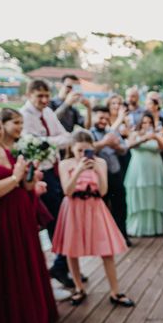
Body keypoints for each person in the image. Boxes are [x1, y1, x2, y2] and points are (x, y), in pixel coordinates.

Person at [0, 114, 59, 323]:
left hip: (21, 217)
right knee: (5, 266)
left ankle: (31, 312)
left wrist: (29, 173)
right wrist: (15, 178)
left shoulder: (9, 153)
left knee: (23, 263)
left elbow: (26, 185)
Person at [52, 130, 134, 307]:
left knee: (107, 250)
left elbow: (103, 191)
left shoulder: (100, 162)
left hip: (95, 206)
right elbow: (67, 190)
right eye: (79, 150)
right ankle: (79, 288)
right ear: (72, 148)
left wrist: (97, 170)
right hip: (73, 207)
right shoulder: (65, 164)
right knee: (71, 250)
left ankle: (115, 291)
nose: (83, 154)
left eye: (87, 150)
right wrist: (78, 170)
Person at [20, 79, 76, 288]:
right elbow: (29, 143)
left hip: (54, 169)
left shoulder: (49, 113)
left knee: (59, 219)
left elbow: (66, 137)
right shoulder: (24, 116)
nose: (44, 100)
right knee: (50, 220)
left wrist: (48, 141)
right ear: (29, 95)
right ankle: (58, 265)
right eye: (39, 96)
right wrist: (51, 141)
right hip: (38, 174)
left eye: (46, 96)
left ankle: (62, 264)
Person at [123, 112, 163, 236]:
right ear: (140, 123)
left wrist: (154, 137)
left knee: (154, 197)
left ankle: (155, 228)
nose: (147, 125)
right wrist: (143, 138)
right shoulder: (134, 134)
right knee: (138, 197)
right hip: (138, 169)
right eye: (144, 122)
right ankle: (137, 227)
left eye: (149, 122)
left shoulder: (158, 134)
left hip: (154, 170)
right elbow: (128, 146)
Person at [91, 106, 130, 245]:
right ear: (94, 116)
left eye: (106, 118)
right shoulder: (89, 133)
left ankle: (122, 237)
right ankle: (103, 239)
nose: (103, 121)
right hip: (99, 177)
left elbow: (124, 149)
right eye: (101, 118)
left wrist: (117, 147)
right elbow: (87, 150)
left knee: (120, 206)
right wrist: (104, 143)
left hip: (115, 174)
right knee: (101, 209)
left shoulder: (112, 132)